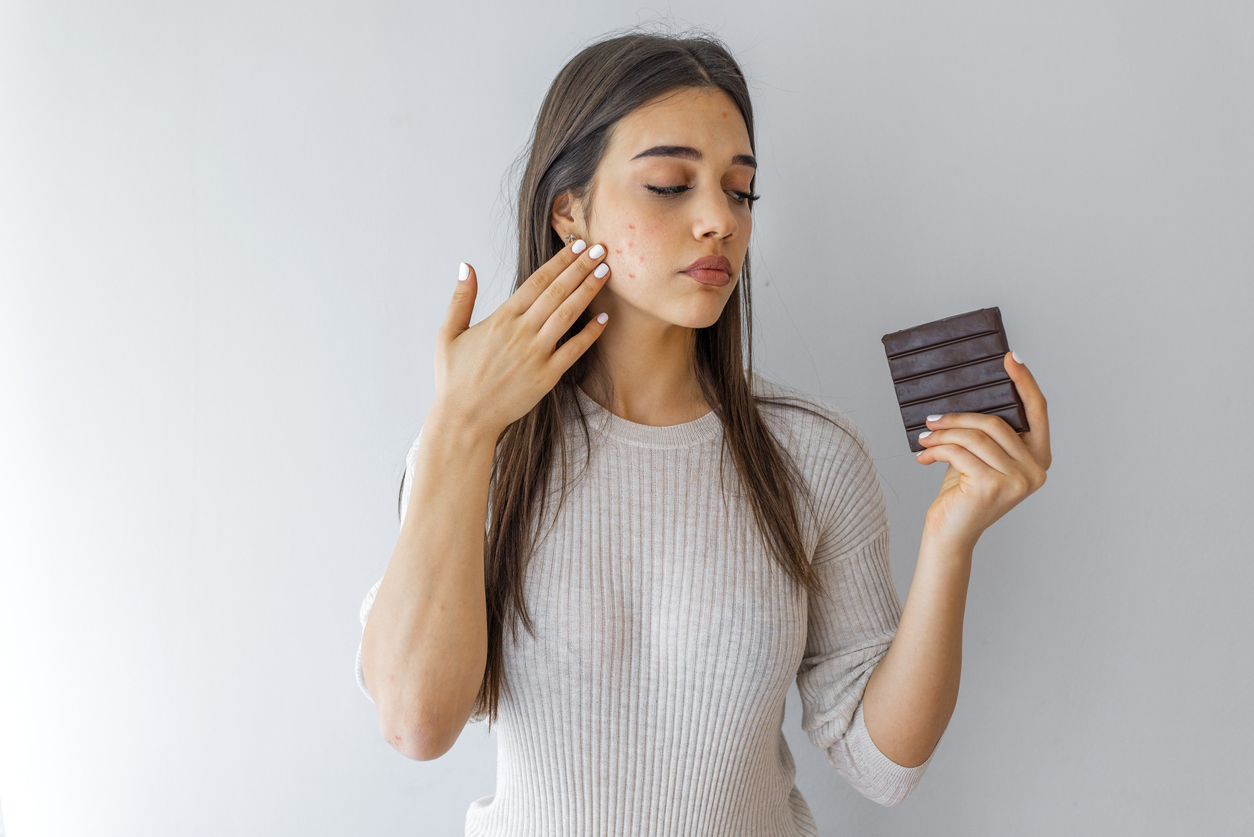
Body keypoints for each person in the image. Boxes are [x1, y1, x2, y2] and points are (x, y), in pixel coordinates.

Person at [355, 28, 1052, 835]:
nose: (719, 219)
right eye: (668, 184)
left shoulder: (813, 456)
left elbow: (880, 764)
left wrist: (951, 537)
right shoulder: (479, 449)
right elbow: (414, 724)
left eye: (740, 189)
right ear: (567, 208)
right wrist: (459, 424)